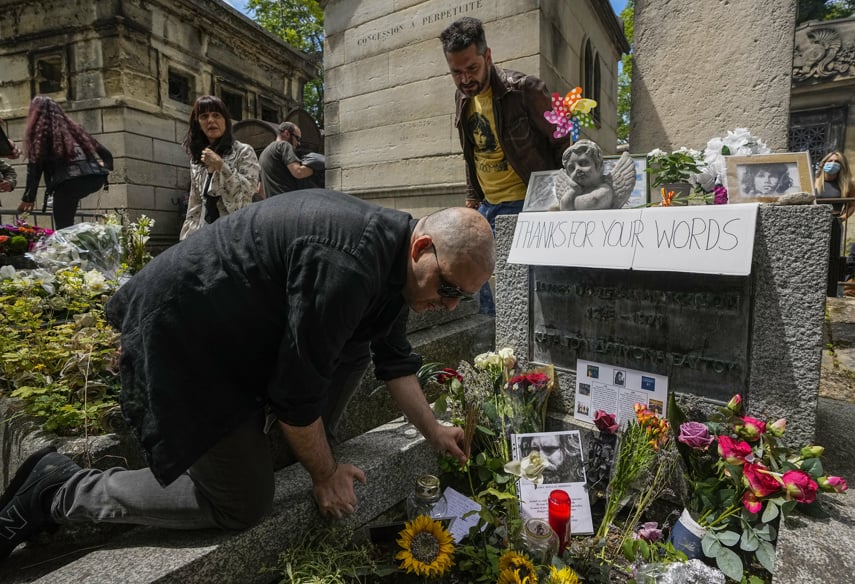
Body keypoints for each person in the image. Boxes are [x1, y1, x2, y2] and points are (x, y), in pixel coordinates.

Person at [0, 189, 495, 562]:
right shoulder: (348, 266)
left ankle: (291, 449)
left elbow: (393, 357)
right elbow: (296, 395)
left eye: (463, 298)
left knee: (355, 350)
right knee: (241, 503)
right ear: (422, 246)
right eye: (449, 287)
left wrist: (433, 430)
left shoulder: (394, 265)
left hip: (239, 337)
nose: (448, 305)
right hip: (186, 338)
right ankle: (60, 490)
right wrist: (323, 475)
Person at [440, 17, 571, 315]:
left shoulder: (526, 89)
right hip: (487, 206)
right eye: (456, 72)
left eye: (472, 68)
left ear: (488, 56)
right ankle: (496, 348)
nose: (465, 79)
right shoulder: (462, 98)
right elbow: (470, 151)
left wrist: (562, 196)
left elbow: (562, 136)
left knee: (525, 290)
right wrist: (473, 196)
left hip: (528, 203)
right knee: (479, 280)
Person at [17, 96, 113, 229]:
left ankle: (74, 246)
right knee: (67, 219)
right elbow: (107, 154)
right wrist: (104, 167)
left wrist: (28, 198)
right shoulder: (74, 130)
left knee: (63, 228)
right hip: (95, 179)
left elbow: (35, 169)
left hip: (68, 184)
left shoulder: (39, 135)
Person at [179, 95, 259, 240]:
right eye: (204, 116)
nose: (211, 120)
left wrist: (222, 166)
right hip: (205, 237)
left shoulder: (244, 152)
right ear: (198, 123)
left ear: (225, 121)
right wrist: (186, 240)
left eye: (216, 115)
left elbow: (247, 192)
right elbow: (195, 203)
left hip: (236, 234)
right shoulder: (197, 160)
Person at [814, 151, 855, 296]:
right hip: (815, 224)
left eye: (837, 162)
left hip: (834, 223)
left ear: (842, 165)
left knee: (833, 257)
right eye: (830, 160)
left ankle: (831, 291)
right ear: (824, 162)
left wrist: (843, 217)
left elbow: (852, 204)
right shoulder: (816, 180)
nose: (832, 164)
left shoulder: (846, 184)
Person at [258, 122, 315, 199]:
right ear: (287, 133)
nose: (299, 143)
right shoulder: (284, 145)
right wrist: (316, 168)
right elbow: (298, 172)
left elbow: (260, 191)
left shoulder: (263, 154)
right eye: (297, 138)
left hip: (272, 205)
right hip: (288, 202)